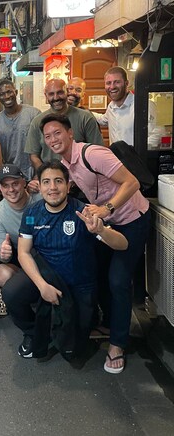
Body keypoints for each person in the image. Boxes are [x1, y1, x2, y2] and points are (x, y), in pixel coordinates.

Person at [41, 113, 150, 374]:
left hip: (132, 219)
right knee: (97, 270)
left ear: (70, 133)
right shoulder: (66, 163)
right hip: (107, 223)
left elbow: (132, 182)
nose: (53, 139)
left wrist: (106, 208)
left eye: (57, 133)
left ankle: (118, 344)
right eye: (47, 136)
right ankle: (110, 322)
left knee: (118, 280)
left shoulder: (93, 154)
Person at [2, 161, 128, 362]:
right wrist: (42, 286)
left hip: (80, 282)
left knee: (74, 352)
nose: (52, 187)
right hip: (47, 276)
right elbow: (24, 253)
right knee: (11, 292)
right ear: (39, 186)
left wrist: (101, 230)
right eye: (46, 182)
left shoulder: (84, 212)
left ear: (68, 186)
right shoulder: (32, 214)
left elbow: (122, 244)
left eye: (58, 181)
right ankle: (34, 333)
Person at [25, 78, 103, 173]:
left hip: (81, 177)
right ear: (46, 96)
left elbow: (97, 151)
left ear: (67, 92)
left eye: (60, 92)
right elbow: (33, 155)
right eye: (51, 94)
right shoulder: (37, 122)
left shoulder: (85, 118)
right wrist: (46, 175)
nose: (56, 97)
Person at [0, 78, 41, 189]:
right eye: (2, 94)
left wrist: (39, 175)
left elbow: (43, 146)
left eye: (9, 92)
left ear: (16, 92)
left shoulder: (34, 114)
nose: (6, 96)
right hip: (10, 179)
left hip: (34, 176)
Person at [0, 164, 37, 288]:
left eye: (15, 184)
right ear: (0, 188)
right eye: (5, 185)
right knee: (2, 273)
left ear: (24, 182)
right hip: (19, 257)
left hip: (44, 254)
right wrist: (3, 252)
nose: (11, 190)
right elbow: (0, 250)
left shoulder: (39, 199)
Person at [94, 66, 156, 146]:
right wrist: (83, 112)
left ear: (126, 83)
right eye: (108, 83)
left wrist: (136, 151)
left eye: (117, 82)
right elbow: (102, 119)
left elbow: (156, 134)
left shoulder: (143, 104)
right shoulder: (111, 106)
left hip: (137, 154)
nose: (112, 87)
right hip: (115, 154)